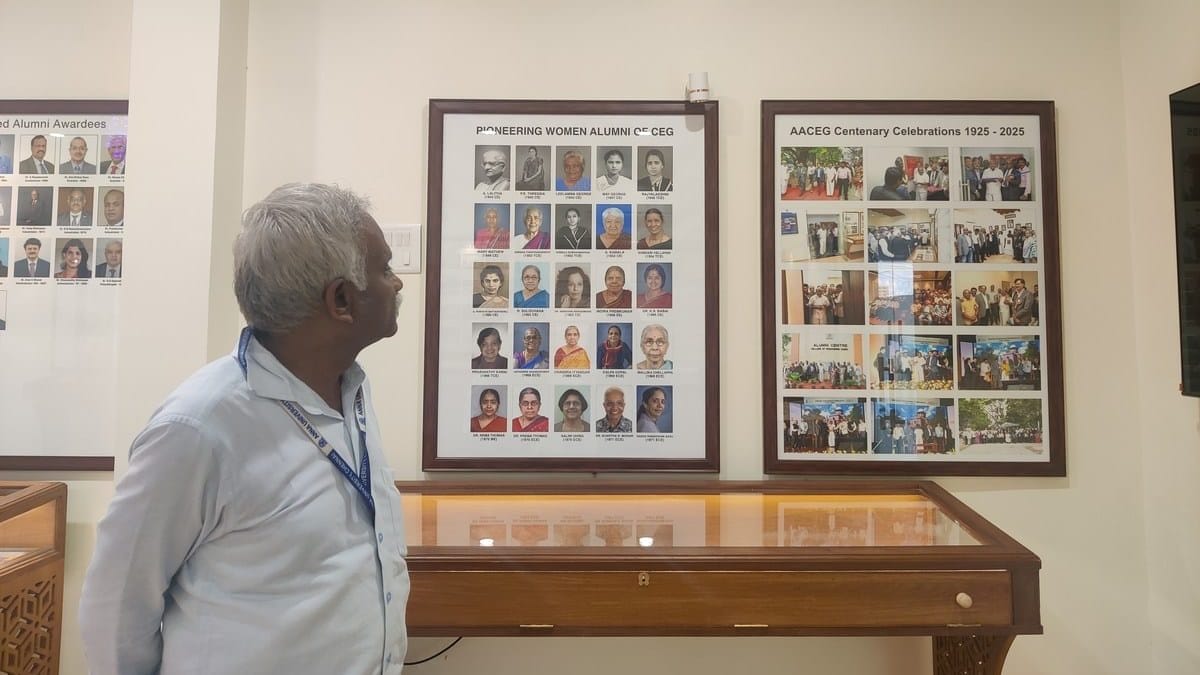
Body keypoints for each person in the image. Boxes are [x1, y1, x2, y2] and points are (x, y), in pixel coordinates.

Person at [79, 183, 410, 674]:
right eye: (384, 269)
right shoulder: (198, 428)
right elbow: (115, 607)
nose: (397, 284)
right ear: (341, 300)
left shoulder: (350, 391)